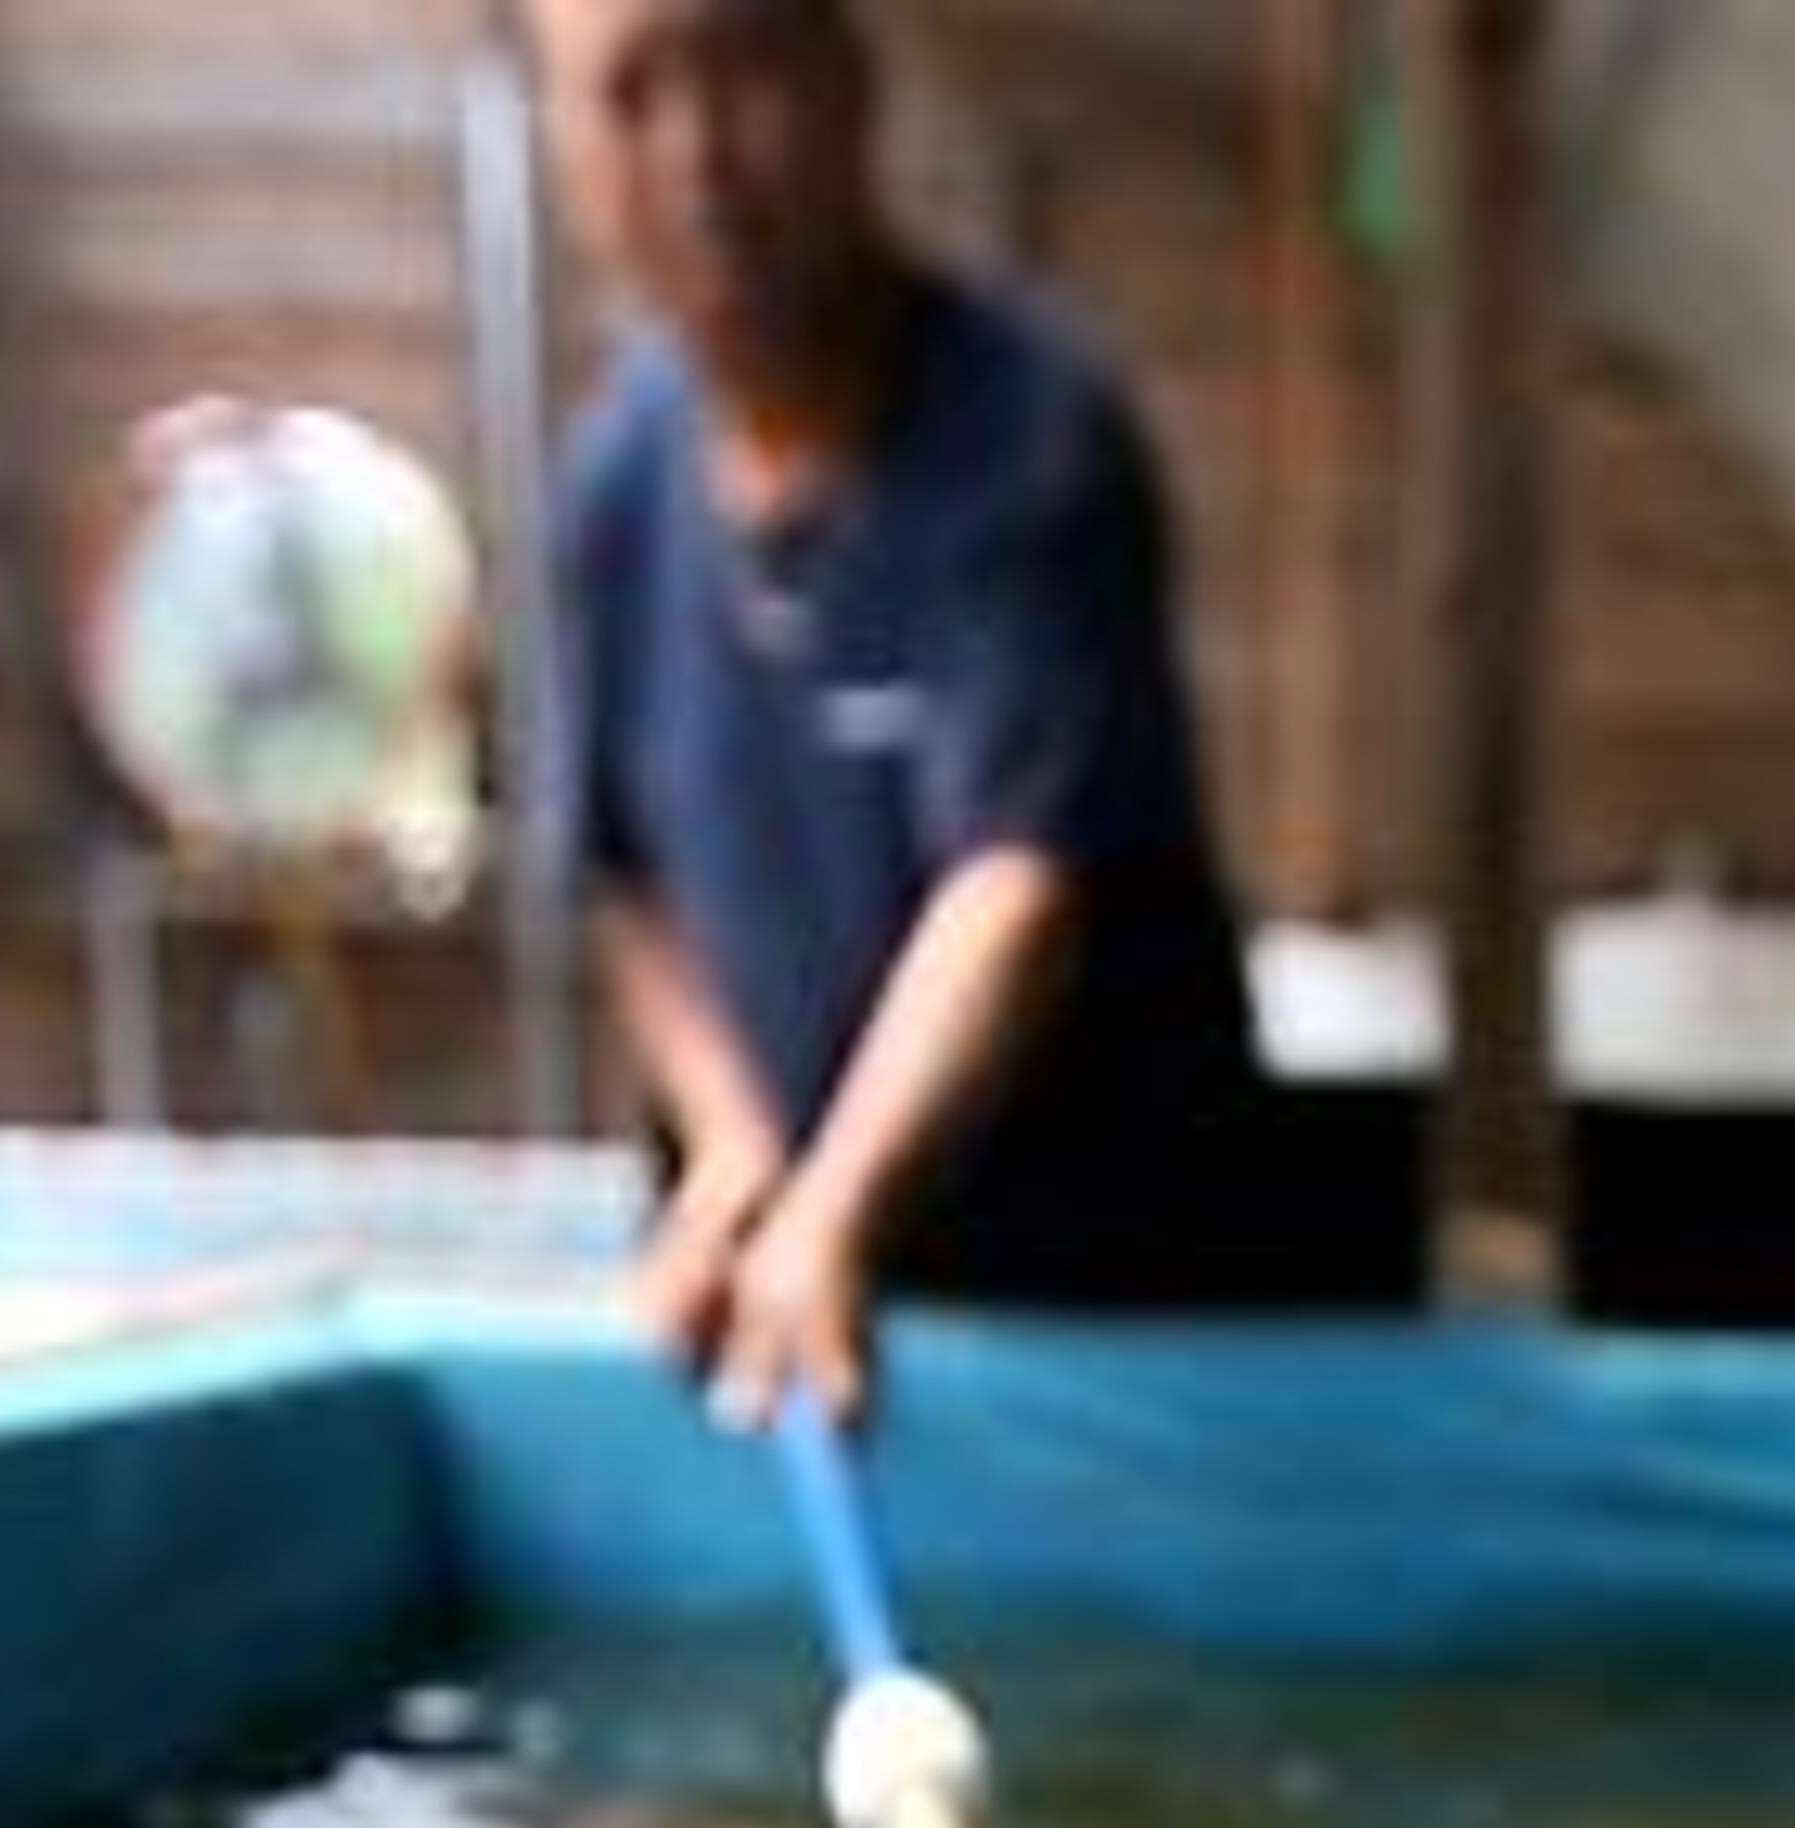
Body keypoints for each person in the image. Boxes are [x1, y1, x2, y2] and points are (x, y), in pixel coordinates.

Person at [533, 0, 1291, 1423]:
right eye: (631, 95)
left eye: (745, 66)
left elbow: (1017, 881)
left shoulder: (1033, 439)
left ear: (851, 79)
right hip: (815, 1288)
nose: (699, 156)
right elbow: (621, 874)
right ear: (567, 142)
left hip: (1120, 1318)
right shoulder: (612, 488)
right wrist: (735, 1146)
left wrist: (836, 1208)